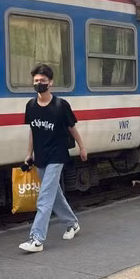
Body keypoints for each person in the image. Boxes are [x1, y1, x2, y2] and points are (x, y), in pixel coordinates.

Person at [19, 63, 87, 253]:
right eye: (36, 81)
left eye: (42, 81)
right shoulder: (31, 106)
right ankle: (72, 223)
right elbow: (33, 131)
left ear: (51, 83)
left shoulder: (60, 105)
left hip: (57, 156)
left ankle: (36, 239)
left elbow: (72, 128)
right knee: (54, 195)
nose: (39, 83)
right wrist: (28, 154)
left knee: (45, 198)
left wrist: (82, 147)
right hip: (41, 156)